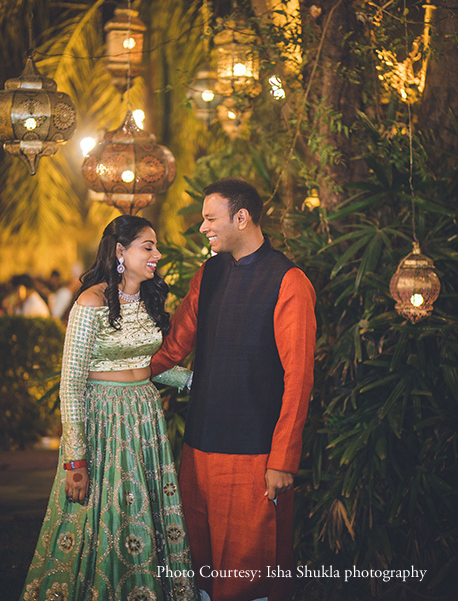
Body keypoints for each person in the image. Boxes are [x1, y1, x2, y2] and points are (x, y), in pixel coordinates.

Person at [150, 179, 317, 601]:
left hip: (255, 454)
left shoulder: (289, 280)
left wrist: (283, 460)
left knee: (250, 570)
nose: (202, 227)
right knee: (200, 565)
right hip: (199, 447)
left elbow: (298, 378)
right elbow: (173, 347)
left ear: (241, 217)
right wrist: (117, 370)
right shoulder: (208, 274)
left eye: (210, 218)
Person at [21, 215, 199, 601]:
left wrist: (194, 381)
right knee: (104, 515)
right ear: (120, 251)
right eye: (148, 247)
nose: (157, 254)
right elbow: (71, 383)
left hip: (145, 419)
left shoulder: (150, 299)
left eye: (156, 247)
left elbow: (148, 365)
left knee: (145, 513)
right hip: (104, 422)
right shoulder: (91, 301)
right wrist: (75, 460)